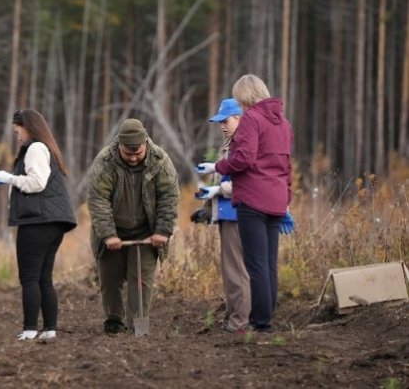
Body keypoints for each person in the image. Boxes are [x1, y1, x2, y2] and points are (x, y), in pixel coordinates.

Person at [196, 75, 293, 333]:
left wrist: (216, 172)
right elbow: (285, 165)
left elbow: (242, 162)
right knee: (266, 264)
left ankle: (255, 322)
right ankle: (262, 320)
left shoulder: (251, 122)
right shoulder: (282, 123)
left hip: (249, 202)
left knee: (253, 266)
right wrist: (287, 196)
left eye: (225, 120)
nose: (222, 127)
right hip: (274, 199)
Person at [0, 109, 77, 341]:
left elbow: (37, 183)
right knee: (44, 278)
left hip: (38, 222)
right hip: (54, 222)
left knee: (29, 278)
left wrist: (8, 178)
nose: (17, 136)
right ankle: (49, 329)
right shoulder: (46, 148)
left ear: (28, 127)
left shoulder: (36, 148)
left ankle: (30, 329)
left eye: (18, 131)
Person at [87, 118, 179, 334]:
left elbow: (169, 197)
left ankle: (139, 326)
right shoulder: (105, 161)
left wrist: (163, 231)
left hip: (147, 230)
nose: (133, 157)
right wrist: (108, 234)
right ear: (119, 145)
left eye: (137, 152)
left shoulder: (160, 160)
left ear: (145, 144)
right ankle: (114, 320)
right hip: (113, 230)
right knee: (110, 278)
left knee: (142, 280)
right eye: (128, 153)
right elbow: (98, 199)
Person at [192, 98, 251, 334]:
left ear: (240, 118)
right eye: (219, 122)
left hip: (237, 213)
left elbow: (246, 184)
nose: (222, 126)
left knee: (237, 270)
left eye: (226, 121)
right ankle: (234, 316)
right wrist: (207, 209)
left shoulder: (244, 145)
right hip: (226, 213)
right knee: (230, 270)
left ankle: (240, 322)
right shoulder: (229, 144)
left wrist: (217, 191)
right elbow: (220, 178)